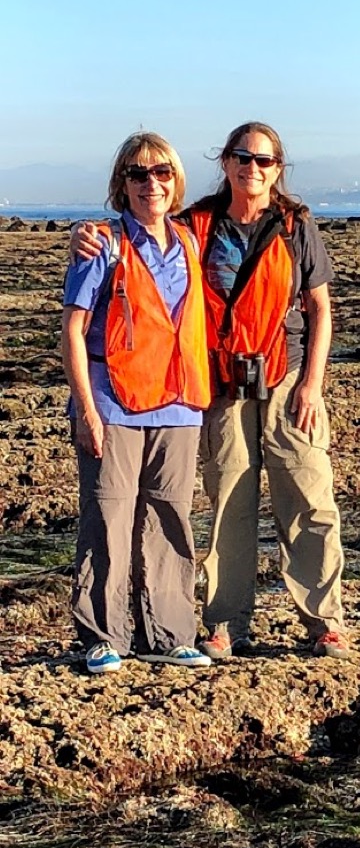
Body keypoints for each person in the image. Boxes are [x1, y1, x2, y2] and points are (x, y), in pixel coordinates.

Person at [72, 122, 349, 660]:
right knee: (229, 503)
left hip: (287, 374)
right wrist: (84, 234)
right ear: (224, 163)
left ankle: (324, 621)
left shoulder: (295, 226)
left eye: (264, 161)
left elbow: (320, 309)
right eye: (242, 158)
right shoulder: (195, 225)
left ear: (278, 168)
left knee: (309, 496)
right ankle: (225, 624)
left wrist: (313, 385)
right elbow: (138, 232)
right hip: (220, 382)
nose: (252, 168)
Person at [62, 132, 213, 674]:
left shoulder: (191, 242)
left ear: (176, 181)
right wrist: (86, 408)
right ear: (120, 184)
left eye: (163, 173)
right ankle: (103, 635)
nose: (152, 183)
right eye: (138, 173)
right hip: (114, 404)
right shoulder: (101, 245)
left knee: (169, 518)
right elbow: (73, 331)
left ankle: (170, 632)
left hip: (178, 405)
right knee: (109, 517)